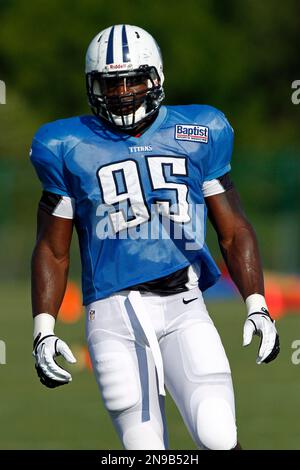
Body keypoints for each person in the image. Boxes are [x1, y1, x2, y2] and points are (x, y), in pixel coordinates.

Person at [30, 24, 280, 450]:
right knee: (145, 450)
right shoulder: (66, 144)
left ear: (156, 78)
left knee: (219, 436)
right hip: (111, 314)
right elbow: (53, 250)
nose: (124, 92)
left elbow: (234, 229)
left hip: (185, 305)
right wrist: (43, 329)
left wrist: (257, 304)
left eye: (134, 79)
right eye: (112, 83)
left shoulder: (199, 130)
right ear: (94, 88)